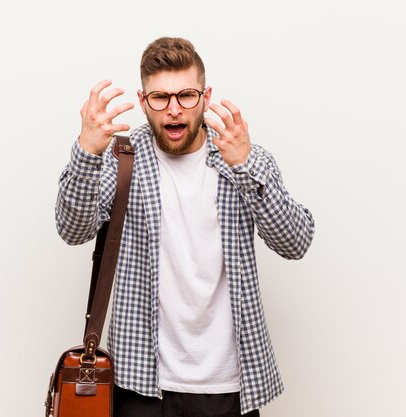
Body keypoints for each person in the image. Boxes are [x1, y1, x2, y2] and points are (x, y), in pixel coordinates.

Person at [55, 37, 315, 417]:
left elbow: (297, 242)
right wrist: (87, 152)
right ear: (144, 102)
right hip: (140, 383)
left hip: (228, 385)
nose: (174, 110)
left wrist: (245, 168)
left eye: (186, 96)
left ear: (205, 96)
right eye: (160, 98)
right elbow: (72, 230)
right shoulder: (120, 158)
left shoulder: (243, 156)